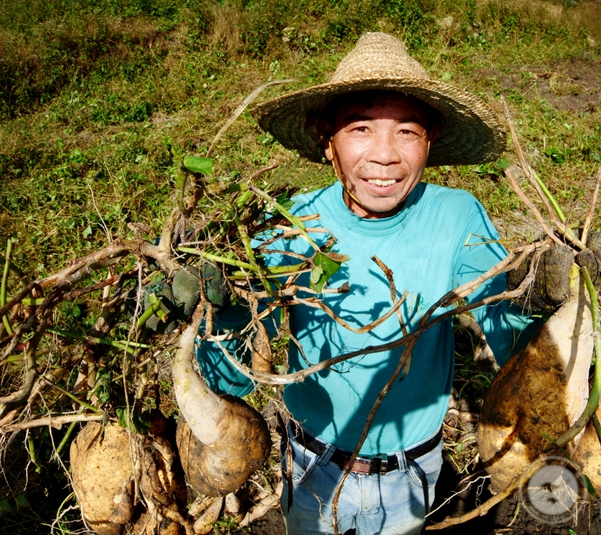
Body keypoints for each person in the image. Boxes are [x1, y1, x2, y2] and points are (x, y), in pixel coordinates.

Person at [200, 32, 544, 535]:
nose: (385, 156)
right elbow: (230, 376)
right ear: (328, 143)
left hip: (410, 474)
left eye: (406, 132)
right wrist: (222, 311)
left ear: (430, 141)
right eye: (360, 128)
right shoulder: (291, 226)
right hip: (313, 466)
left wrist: (548, 304)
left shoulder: (455, 217)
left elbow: (513, 338)